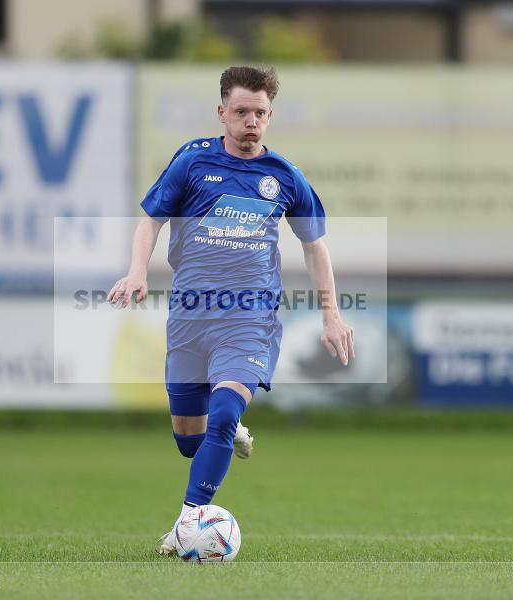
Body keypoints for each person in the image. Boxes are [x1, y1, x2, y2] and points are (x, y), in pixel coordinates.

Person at [107, 65, 354, 556]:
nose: (251, 121)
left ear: (270, 116)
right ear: (222, 113)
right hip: (190, 317)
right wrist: (137, 271)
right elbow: (151, 221)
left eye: (260, 113)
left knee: (220, 414)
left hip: (250, 319)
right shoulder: (193, 161)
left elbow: (315, 248)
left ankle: (187, 526)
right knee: (189, 442)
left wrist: (331, 313)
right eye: (241, 112)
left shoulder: (284, 177)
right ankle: (227, 434)